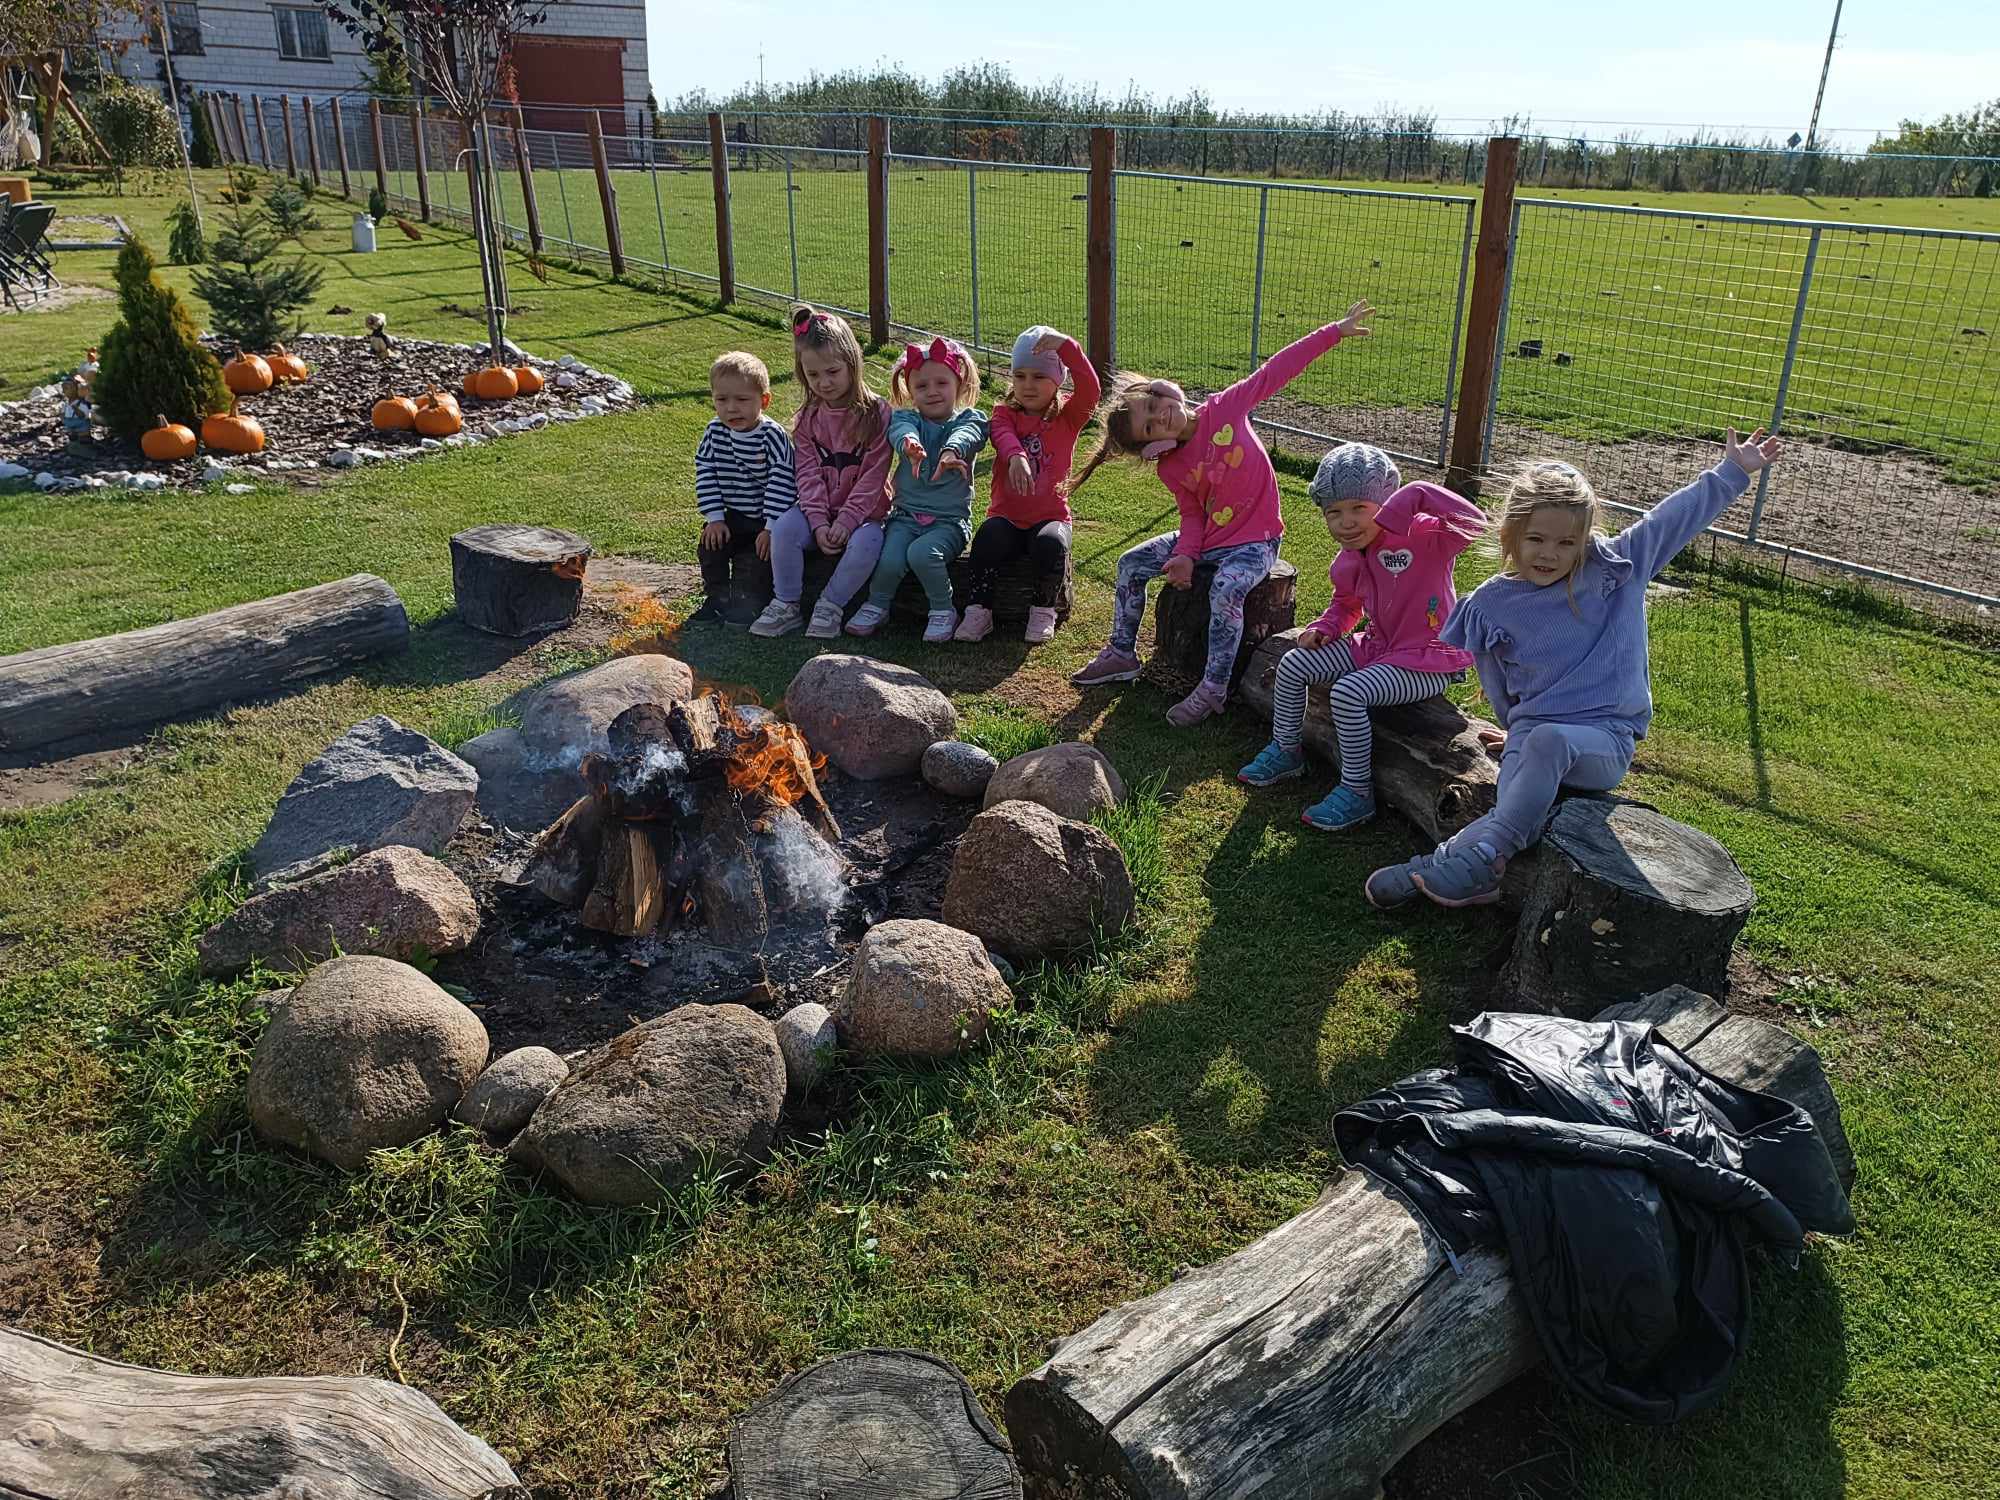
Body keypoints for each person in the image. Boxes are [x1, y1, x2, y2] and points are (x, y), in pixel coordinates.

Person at [1365, 428, 1785, 909]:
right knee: (1513, 802)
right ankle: (1441, 867)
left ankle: (1473, 861)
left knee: (1537, 765)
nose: (1550, 553)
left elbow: (1673, 518)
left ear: (1583, 540)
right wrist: (1516, 731)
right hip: (1533, 738)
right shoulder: (1490, 604)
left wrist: (1732, 471)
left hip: (1603, 741)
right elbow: (1496, 684)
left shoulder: (1616, 570)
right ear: (1510, 536)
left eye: (1566, 542)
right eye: (1536, 539)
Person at [1068, 300, 1374, 726]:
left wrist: (1334, 332)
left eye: (1154, 406)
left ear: (1164, 391)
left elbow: (1277, 370)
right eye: (1150, 427)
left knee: (1227, 589)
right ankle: (1122, 653)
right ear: (1153, 447)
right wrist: (1185, 555)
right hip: (1211, 540)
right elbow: (1192, 517)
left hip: (1256, 542)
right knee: (1131, 563)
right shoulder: (1171, 467)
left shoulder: (1225, 409)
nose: (1161, 417)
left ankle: (1213, 688)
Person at [1239, 443, 1487, 829]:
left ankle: (1357, 792)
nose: (1346, 522)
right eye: (1333, 512)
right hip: (1377, 647)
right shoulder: (1349, 558)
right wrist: (1325, 627)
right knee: (1292, 664)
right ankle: (1287, 750)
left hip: (1428, 659)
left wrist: (1417, 493)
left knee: (1349, 692)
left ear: (1387, 504)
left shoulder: (1424, 535)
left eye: (1359, 508)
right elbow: (1346, 605)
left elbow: (1475, 523)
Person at [750, 307, 893, 639]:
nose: (824, 383)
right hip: (818, 511)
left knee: (869, 541)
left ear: (852, 363)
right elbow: (808, 474)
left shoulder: (877, 414)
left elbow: (873, 477)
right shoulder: (808, 418)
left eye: (832, 371)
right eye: (813, 374)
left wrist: (846, 522)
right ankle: (786, 603)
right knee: (784, 527)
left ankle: (830, 605)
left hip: (865, 516)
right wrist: (817, 523)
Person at [956, 324, 1101, 644]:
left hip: (1050, 517)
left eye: (1038, 376)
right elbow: (1002, 435)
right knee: (987, 538)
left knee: (1051, 544)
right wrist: (1016, 456)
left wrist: (1067, 347)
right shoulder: (1003, 413)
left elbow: (1091, 389)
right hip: (1007, 517)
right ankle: (979, 610)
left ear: (1057, 380)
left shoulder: (1069, 416)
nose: (1027, 385)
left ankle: (1043, 609)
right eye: (1019, 376)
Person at [847, 336, 988, 643]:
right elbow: (901, 431)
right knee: (890, 558)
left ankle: (943, 609)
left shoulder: (971, 419)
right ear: (910, 391)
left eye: (942, 383)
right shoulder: (906, 418)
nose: (932, 391)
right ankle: (877, 604)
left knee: (923, 554)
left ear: (960, 384)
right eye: (922, 386)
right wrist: (909, 445)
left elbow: (969, 434)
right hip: (905, 516)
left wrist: (951, 451)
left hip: (948, 522)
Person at [692, 351, 796, 624]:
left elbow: (783, 480)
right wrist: (715, 518)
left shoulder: (772, 436)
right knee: (710, 548)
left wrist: (771, 527)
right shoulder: (714, 432)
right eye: (722, 400)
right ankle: (716, 598)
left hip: (765, 519)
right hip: (732, 514)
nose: (731, 408)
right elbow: (705, 472)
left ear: (764, 400)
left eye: (742, 400)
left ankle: (747, 603)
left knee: (754, 560)